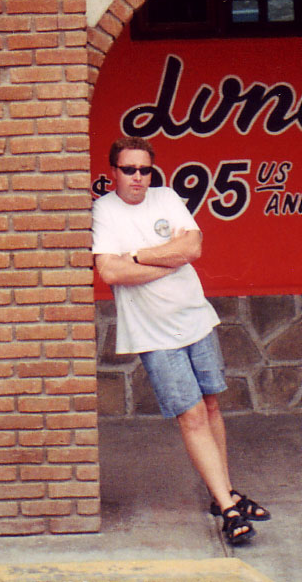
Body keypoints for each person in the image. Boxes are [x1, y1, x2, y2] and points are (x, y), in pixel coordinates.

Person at [92, 135, 270, 546]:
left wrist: (136, 256)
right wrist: (165, 258)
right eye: (128, 169)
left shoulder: (167, 196)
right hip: (154, 332)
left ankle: (220, 493)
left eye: (144, 169)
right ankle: (229, 509)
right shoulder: (103, 210)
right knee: (190, 416)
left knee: (210, 406)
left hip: (195, 318)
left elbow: (193, 246)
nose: (137, 177)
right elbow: (112, 274)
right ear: (113, 172)